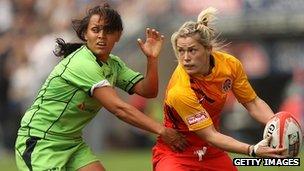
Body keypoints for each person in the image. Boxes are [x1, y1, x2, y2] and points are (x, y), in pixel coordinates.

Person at [14, 4, 187, 171]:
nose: (102, 36)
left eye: (109, 30)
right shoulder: (82, 63)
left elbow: (148, 91)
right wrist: (162, 130)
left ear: (118, 35)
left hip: (72, 143)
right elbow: (119, 109)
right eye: (95, 30)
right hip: (41, 142)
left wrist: (152, 59)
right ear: (85, 34)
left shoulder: (113, 64)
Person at [152, 7, 286, 171]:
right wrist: (252, 150)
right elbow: (210, 135)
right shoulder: (180, 90)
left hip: (212, 151)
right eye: (181, 51)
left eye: (192, 50)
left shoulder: (230, 65)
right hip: (176, 154)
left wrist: (278, 126)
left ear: (208, 49)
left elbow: (252, 103)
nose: (185, 58)